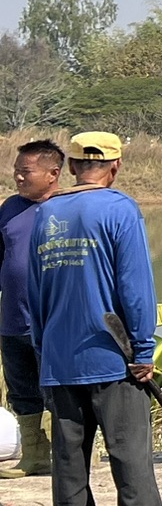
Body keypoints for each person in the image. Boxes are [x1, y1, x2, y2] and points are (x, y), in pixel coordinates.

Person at [29, 132, 162, 506]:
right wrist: (144, 350)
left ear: (72, 167)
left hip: (60, 355)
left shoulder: (46, 214)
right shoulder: (120, 208)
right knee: (128, 446)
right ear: (115, 166)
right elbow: (135, 288)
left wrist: (43, 348)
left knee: (68, 451)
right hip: (113, 354)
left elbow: (33, 291)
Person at [0, 139, 65, 484]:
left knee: (61, 392)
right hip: (13, 319)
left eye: (26, 171)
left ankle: (74, 456)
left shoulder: (69, 208)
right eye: (16, 170)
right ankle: (35, 456)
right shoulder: (9, 208)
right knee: (22, 391)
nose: (18, 177)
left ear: (53, 173)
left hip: (55, 321)